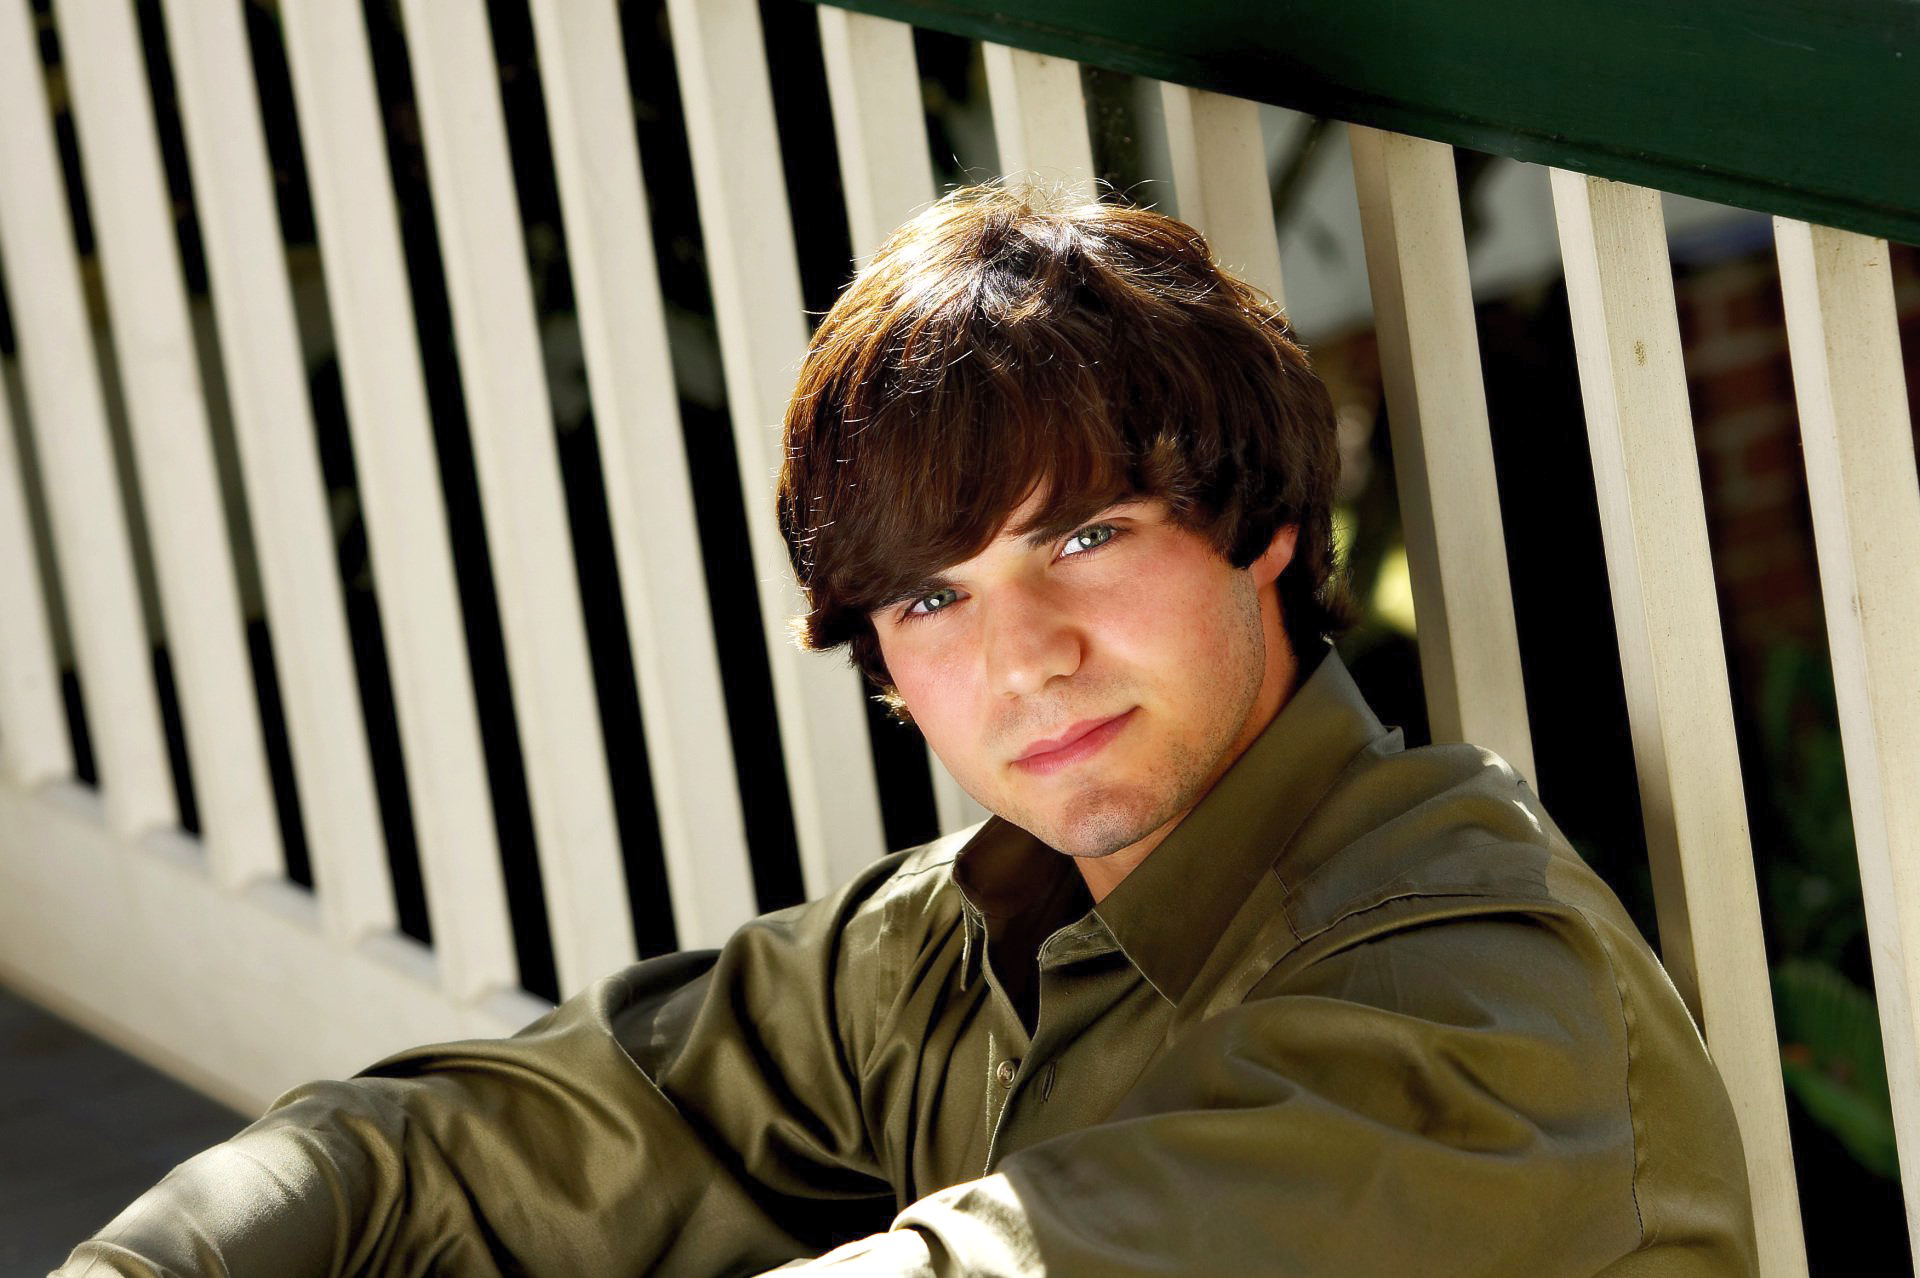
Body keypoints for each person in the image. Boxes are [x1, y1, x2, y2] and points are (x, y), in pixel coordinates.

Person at [57, 186, 1758, 1276]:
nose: (1022, 660)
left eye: (1084, 538)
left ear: (1267, 532)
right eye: (931, 600)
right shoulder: (981, 936)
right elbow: (480, 1141)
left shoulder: (1470, 996)